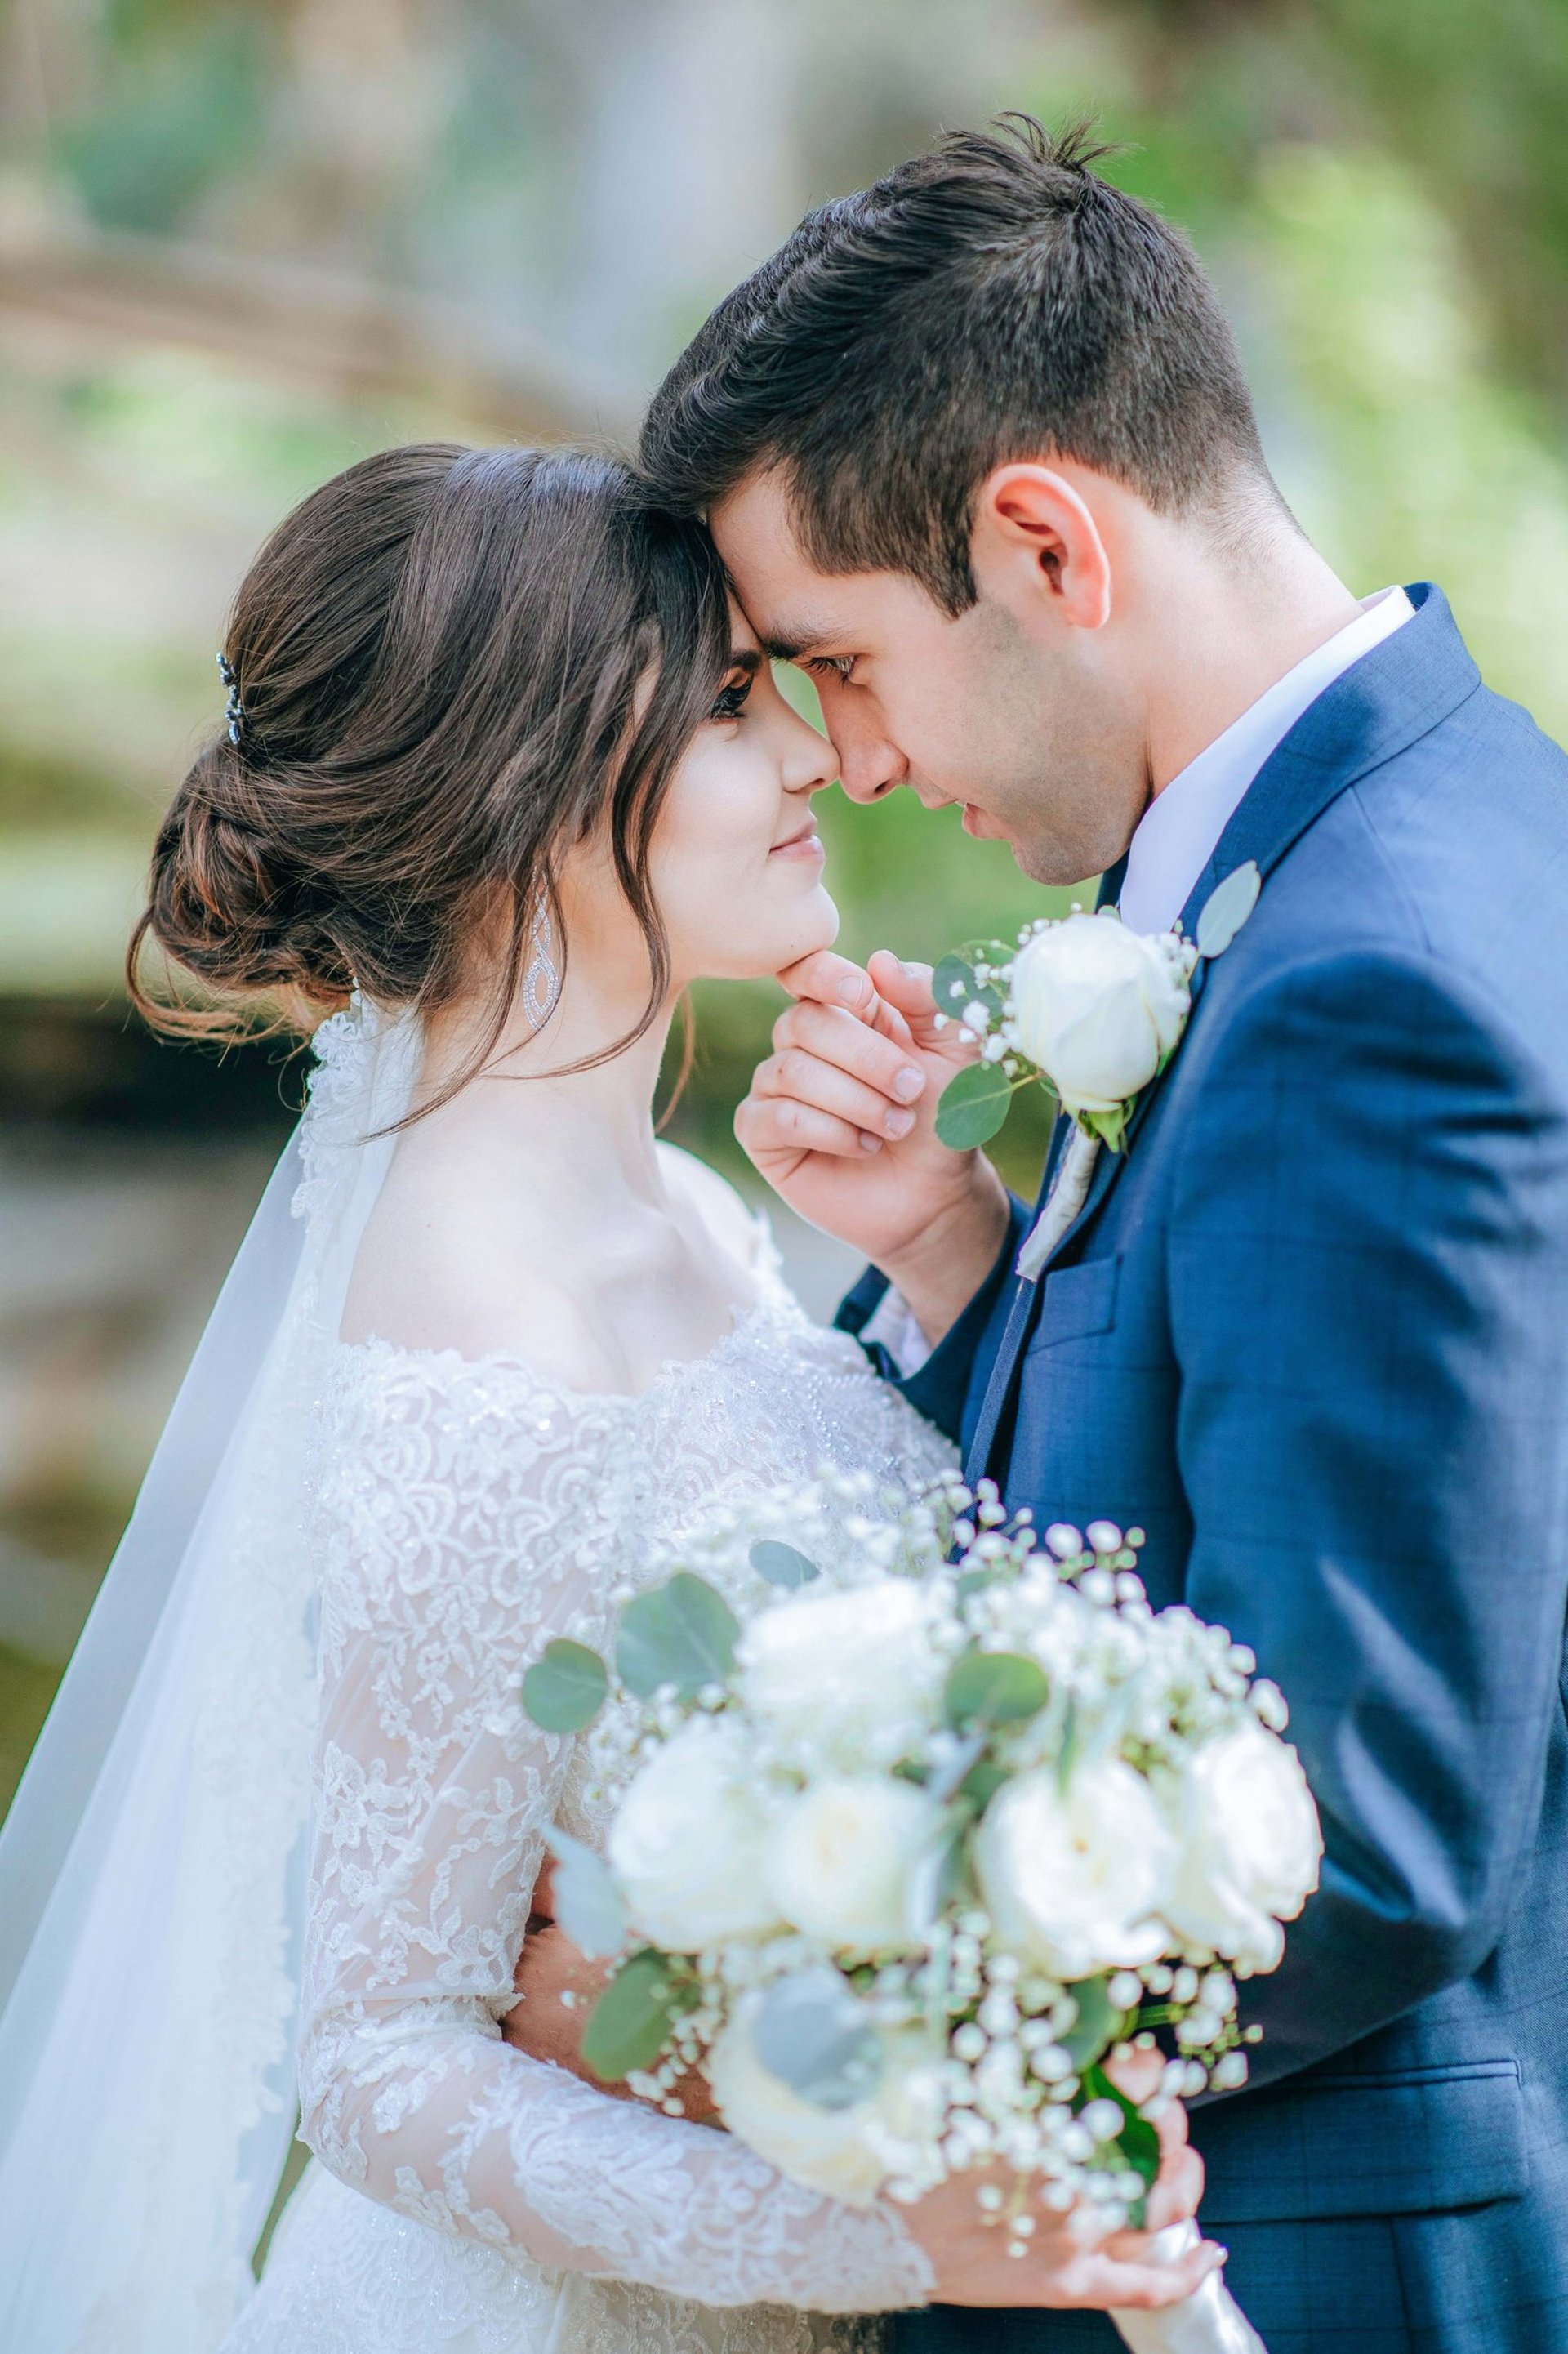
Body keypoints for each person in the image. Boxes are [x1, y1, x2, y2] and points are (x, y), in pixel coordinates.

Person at [0, 442, 1214, 2354]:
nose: (814, 754)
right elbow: (383, 2057)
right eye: (736, 706)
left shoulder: (696, 1216)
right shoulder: (463, 1344)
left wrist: (946, 1250)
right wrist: (886, 2238)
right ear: (530, 783)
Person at [623, 116, 1568, 2352]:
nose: (840, 762)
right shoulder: (1428, 831)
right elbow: (1254, 1512)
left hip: (1297, 2269)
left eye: (835, 659)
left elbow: (1358, 1821)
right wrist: (965, 1259)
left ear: (1044, 542)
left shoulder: (1372, 979)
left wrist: (792, 2055)